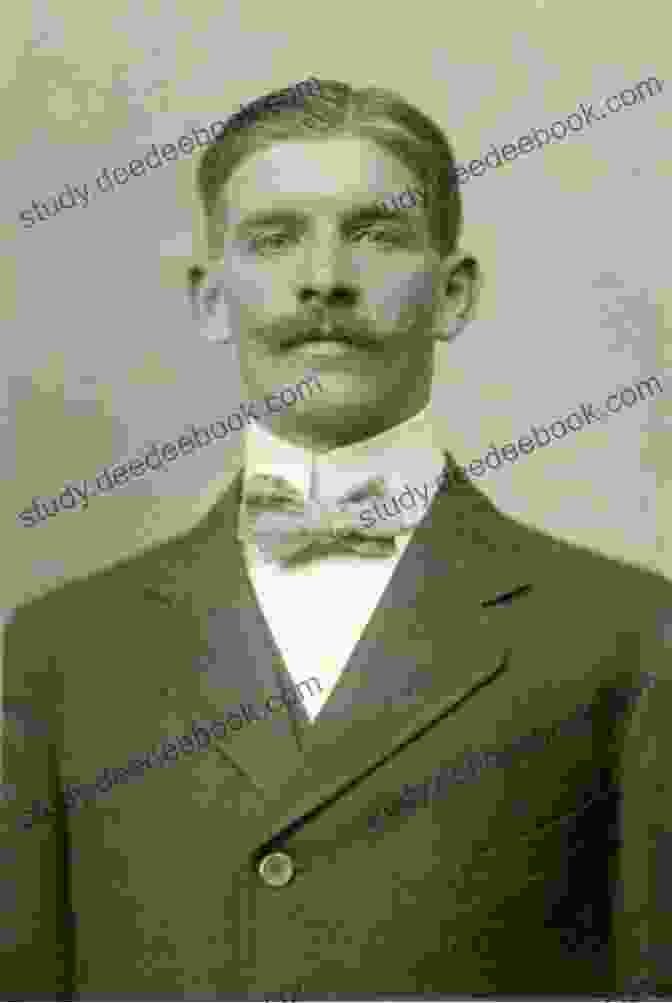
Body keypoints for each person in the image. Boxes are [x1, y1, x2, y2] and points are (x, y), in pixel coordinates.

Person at [2, 76, 671, 1001]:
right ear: (208, 298)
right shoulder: (57, 654)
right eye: (275, 240)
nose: (325, 277)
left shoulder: (629, 638)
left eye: (379, 233)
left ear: (453, 293)